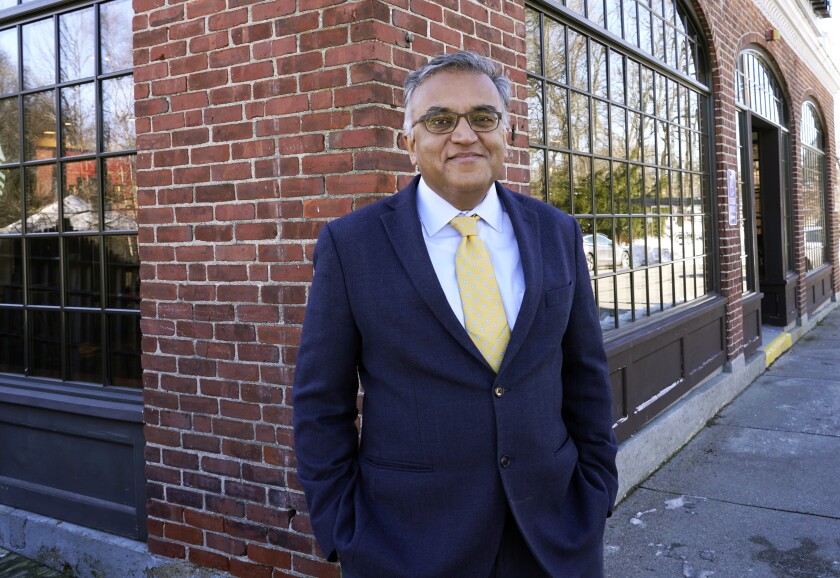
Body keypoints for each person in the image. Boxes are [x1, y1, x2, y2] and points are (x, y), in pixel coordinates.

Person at [292, 51, 618, 578]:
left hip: (555, 534)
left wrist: (597, 489)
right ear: (408, 142)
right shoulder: (351, 246)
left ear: (508, 132)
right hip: (406, 544)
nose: (465, 136)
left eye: (483, 117)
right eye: (440, 120)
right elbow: (320, 402)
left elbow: (587, 375)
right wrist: (342, 528)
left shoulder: (557, 232)